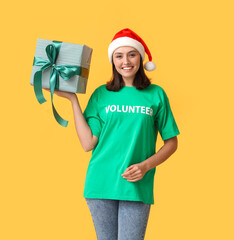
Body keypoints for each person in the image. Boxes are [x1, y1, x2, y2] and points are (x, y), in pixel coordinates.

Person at [52, 28, 180, 240]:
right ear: (113, 60)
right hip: (100, 184)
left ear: (140, 57)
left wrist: (145, 166)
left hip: (136, 185)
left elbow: (172, 143)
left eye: (132, 54)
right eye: (118, 56)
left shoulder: (156, 94)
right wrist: (73, 100)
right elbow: (87, 143)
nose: (125, 61)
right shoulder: (101, 94)